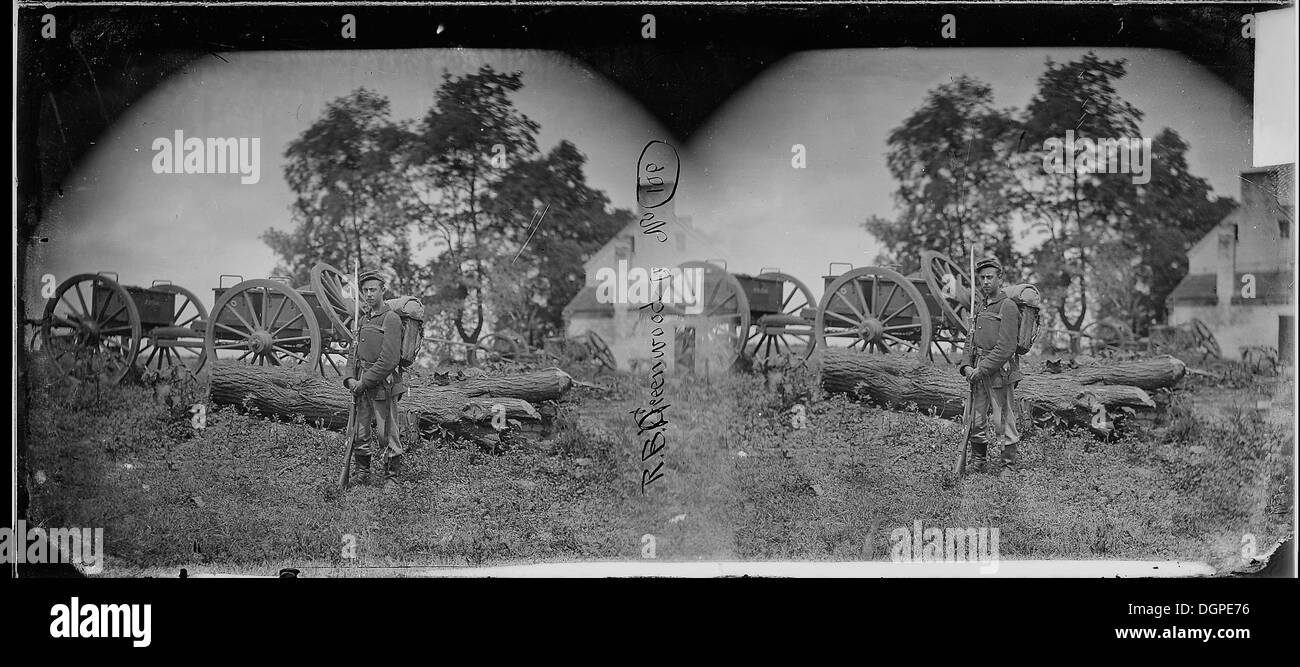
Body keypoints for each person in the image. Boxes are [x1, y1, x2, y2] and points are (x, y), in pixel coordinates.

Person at [344, 270, 408, 491]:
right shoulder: (364, 318)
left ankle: (392, 478)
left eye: (373, 290)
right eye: (365, 291)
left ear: (383, 291)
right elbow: (354, 352)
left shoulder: (391, 319)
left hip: (383, 385)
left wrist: (364, 382)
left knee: (387, 432)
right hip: (361, 385)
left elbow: (389, 359)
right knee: (360, 431)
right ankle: (362, 474)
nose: (369, 294)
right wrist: (350, 378)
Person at [958, 256, 1022, 476]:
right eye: (982, 278)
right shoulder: (979, 307)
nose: (985, 282)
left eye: (990, 277)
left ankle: (1008, 465)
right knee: (975, 419)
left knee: (1002, 420)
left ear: (1000, 278)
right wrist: (966, 365)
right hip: (976, 371)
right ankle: (978, 461)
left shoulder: (1008, 306)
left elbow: (1006, 348)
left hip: (998, 374)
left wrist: (981, 369)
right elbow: (970, 338)